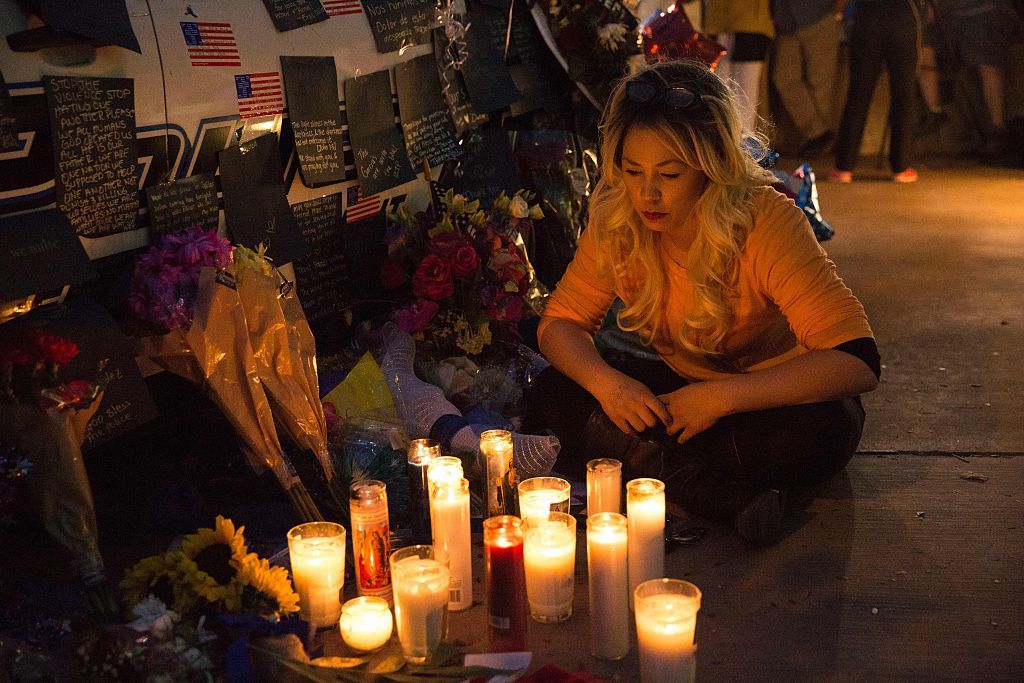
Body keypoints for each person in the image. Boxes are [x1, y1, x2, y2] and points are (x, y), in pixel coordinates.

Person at [526, 61, 880, 546]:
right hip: (687, 397)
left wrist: (718, 399)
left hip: (774, 404)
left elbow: (857, 363)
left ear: (710, 167)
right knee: (551, 390)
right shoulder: (619, 216)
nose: (646, 193)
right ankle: (708, 490)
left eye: (668, 174)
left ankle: (660, 467)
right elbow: (561, 323)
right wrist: (609, 386)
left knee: (817, 434)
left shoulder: (764, 219)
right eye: (632, 171)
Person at [829, 0, 925, 183]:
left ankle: (843, 167)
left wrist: (839, 12)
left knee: (858, 92)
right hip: (904, 15)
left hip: (867, 17)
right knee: (904, 93)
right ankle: (901, 166)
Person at [770, 0, 849, 157]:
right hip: (786, 22)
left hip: (820, 16)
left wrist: (837, 12)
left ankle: (822, 143)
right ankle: (819, 133)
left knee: (821, 83)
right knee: (783, 78)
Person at [702, 0, 775, 133]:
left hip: (748, 25)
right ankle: (728, 144)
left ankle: (741, 146)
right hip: (722, 24)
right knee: (722, 93)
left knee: (743, 95)